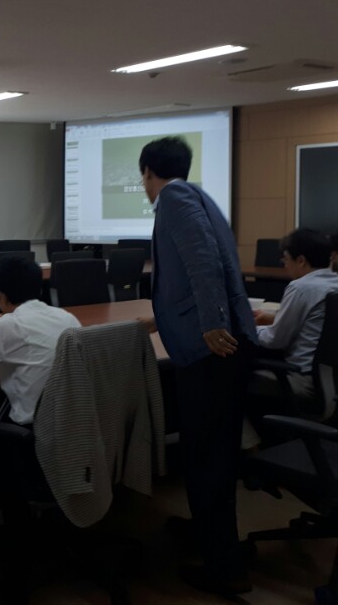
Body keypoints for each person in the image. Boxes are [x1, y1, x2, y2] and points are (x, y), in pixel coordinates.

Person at [138, 136, 257, 598]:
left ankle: (223, 567)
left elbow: (202, 260)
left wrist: (211, 323)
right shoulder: (198, 195)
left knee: (206, 458)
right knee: (213, 455)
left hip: (211, 353)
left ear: (148, 172)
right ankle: (210, 536)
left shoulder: (174, 197)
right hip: (224, 350)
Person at [0, 257, 80, 424]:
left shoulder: (4, 326)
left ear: (1, 295)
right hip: (73, 420)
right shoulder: (67, 317)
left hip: (34, 425)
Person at [250, 228, 338, 412]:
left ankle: (250, 433)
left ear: (301, 260)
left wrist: (245, 327)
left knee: (231, 375)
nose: (285, 265)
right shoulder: (333, 284)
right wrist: (276, 317)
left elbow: (275, 340)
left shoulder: (301, 287)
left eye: (286, 259)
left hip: (303, 380)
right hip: (330, 382)